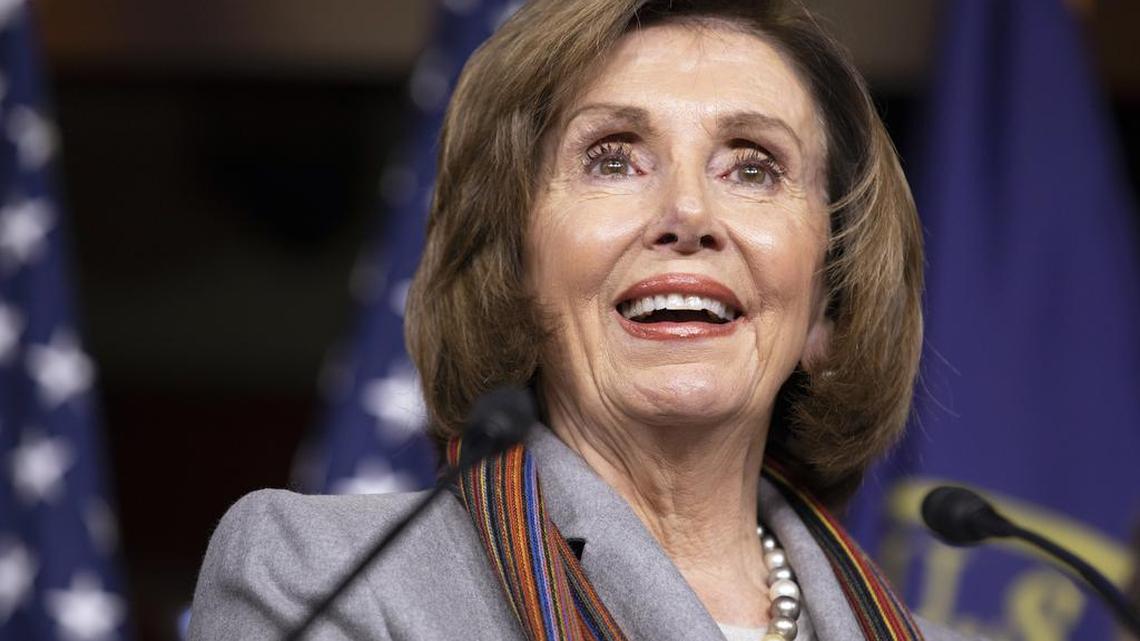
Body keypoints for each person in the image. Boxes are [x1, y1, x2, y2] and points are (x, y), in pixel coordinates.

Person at [188, 1, 974, 640]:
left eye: (753, 166)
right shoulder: (321, 574)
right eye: (613, 158)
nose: (689, 213)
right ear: (513, 271)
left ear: (828, 303)